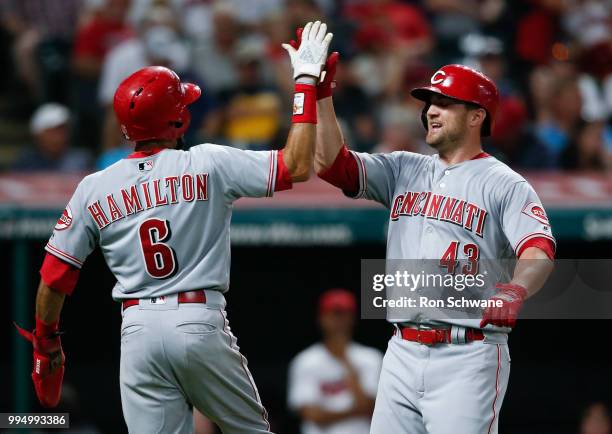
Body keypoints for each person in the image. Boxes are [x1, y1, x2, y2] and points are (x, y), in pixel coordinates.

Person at [15, 21, 333, 434]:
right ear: (178, 120)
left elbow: (54, 277)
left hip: (137, 331)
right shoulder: (207, 161)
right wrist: (306, 84)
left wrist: (47, 342)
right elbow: (298, 163)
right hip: (197, 319)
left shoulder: (93, 187)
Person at [314, 58, 555, 432]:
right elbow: (332, 165)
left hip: (468, 353)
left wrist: (516, 290)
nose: (430, 112)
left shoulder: (505, 183)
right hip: (401, 349)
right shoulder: (403, 168)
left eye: (444, 103)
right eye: (429, 104)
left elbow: (539, 250)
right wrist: (323, 96)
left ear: (477, 116)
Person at [288, 288, 383, 434]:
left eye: (345, 314)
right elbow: (311, 415)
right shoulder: (305, 361)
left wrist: (346, 362)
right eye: (334, 314)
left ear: (353, 318)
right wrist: (356, 410)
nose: (339, 320)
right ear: (321, 318)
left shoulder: (371, 357)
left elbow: (373, 408)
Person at [13, 103, 91, 172]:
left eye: (64, 130)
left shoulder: (82, 161)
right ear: (38, 135)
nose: (60, 137)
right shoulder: (26, 163)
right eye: (53, 131)